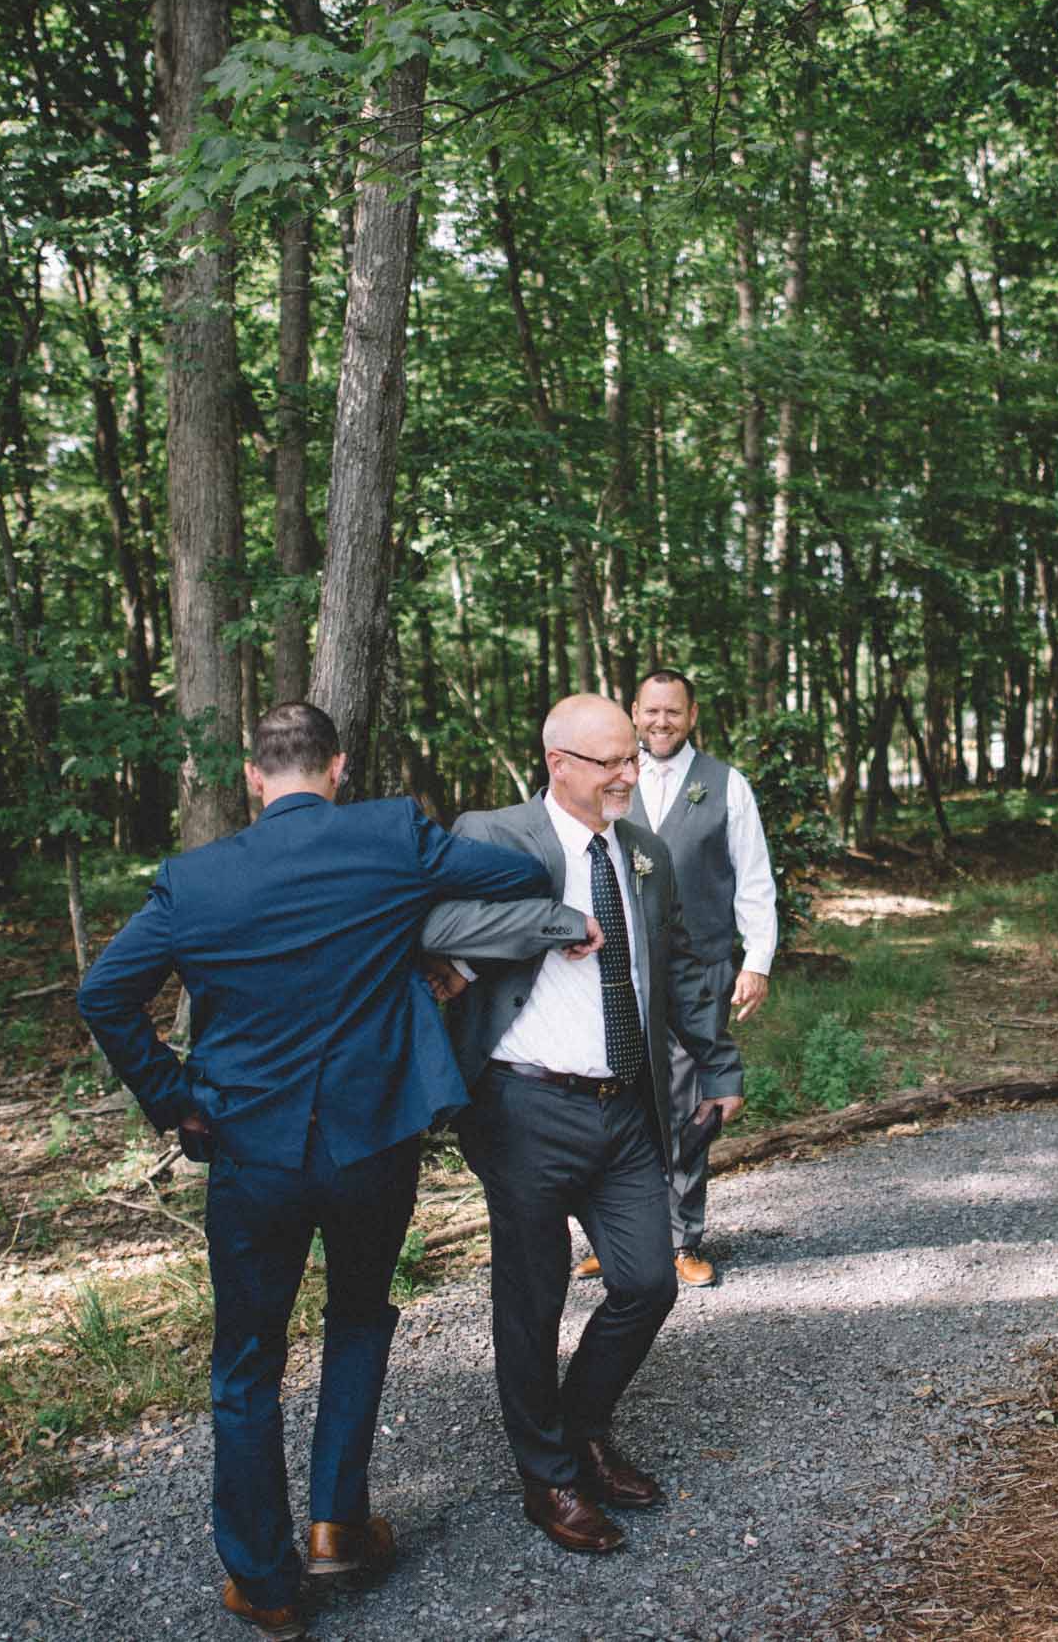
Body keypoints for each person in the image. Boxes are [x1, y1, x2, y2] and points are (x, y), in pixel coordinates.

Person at [75, 701, 576, 1639]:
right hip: (369, 1142)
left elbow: (102, 993)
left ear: (254, 778)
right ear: (338, 767)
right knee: (356, 1315)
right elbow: (522, 866)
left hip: (250, 1150)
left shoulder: (195, 879)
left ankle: (266, 1583)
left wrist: (175, 1097)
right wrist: (416, 931)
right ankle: (338, 1520)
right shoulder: (389, 836)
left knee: (247, 1360)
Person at [421, 693, 744, 1555]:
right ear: (558, 762)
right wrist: (553, 920)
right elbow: (436, 925)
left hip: (626, 1105)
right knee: (531, 1299)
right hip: (525, 1106)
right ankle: (549, 1478)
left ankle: (582, 1428)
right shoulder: (494, 836)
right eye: (612, 762)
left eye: (633, 759)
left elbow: (676, 963)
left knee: (648, 1281)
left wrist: (717, 1063)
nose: (630, 776)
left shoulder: (642, 851)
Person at [595, 667, 776, 1289]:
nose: (660, 723)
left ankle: (681, 1239)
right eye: (650, 712)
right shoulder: (612, 779)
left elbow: (753, 878)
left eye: (673, 712)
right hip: (619, 968)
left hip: (701, 968)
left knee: (688, 1102)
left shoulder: (727, 785)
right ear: (634, 713)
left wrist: (757, 961)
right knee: (617, 1097)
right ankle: (616, 1237)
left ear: (691, 716)